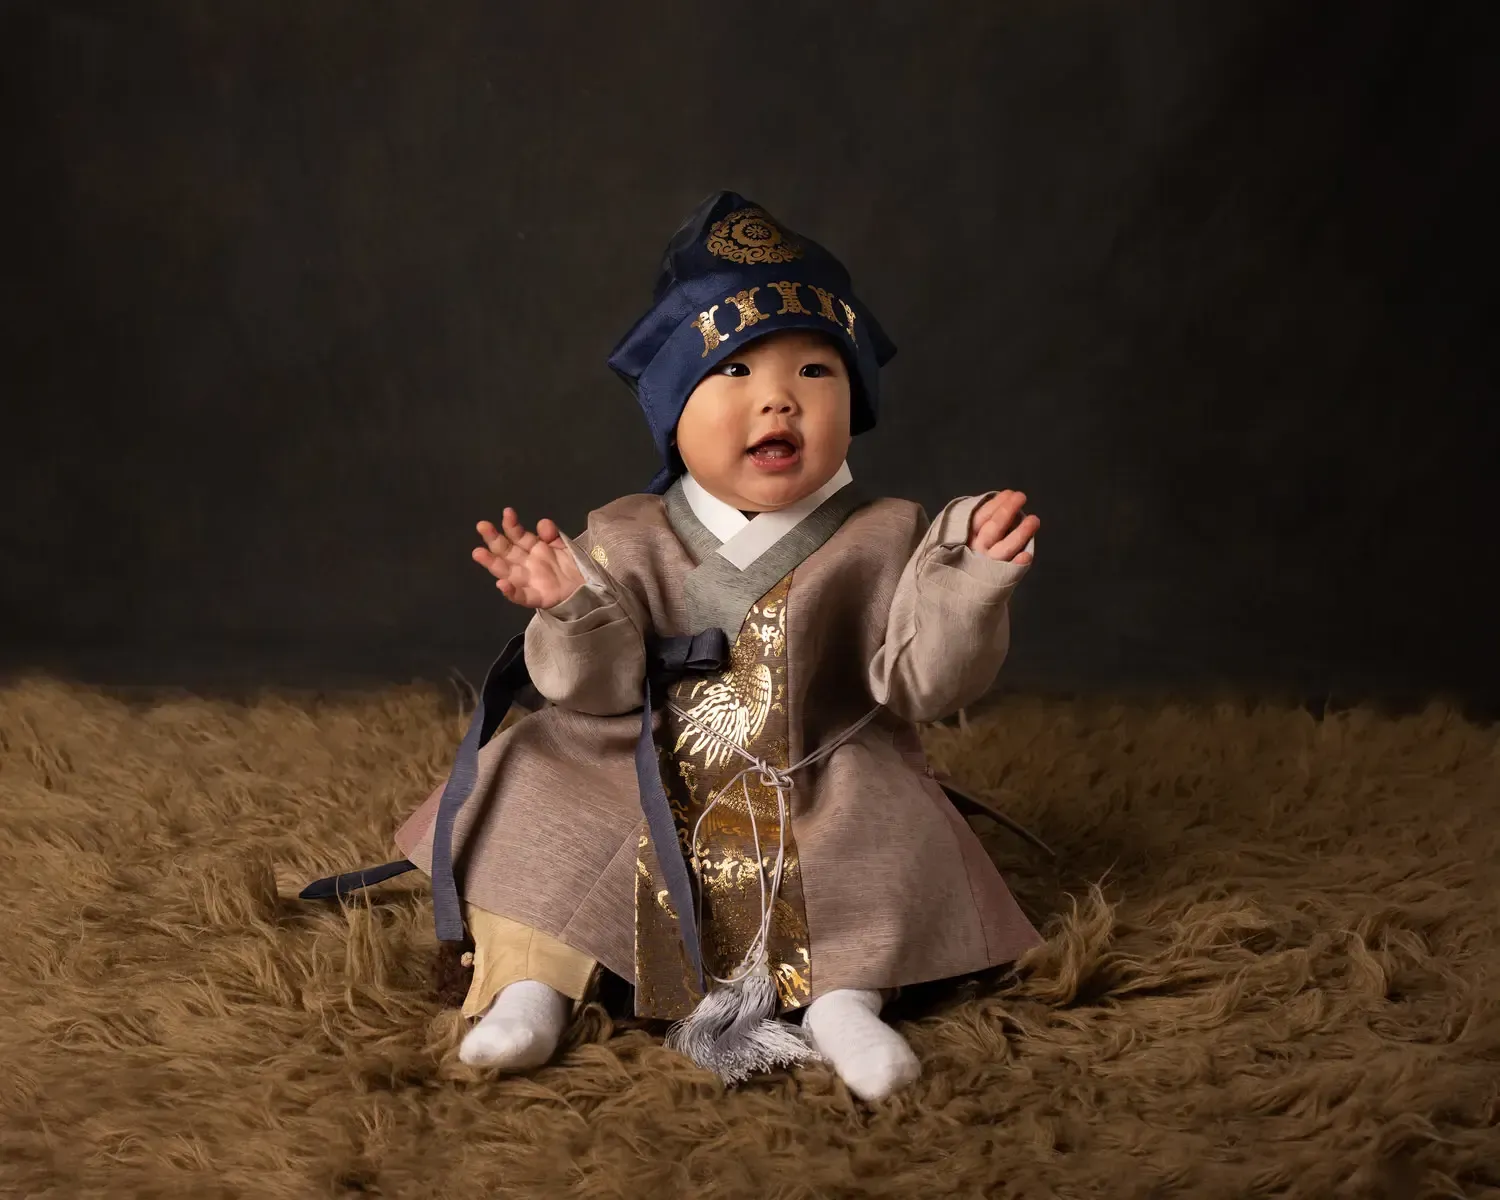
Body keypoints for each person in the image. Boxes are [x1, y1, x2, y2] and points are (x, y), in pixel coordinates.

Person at [391, 192, 1043, 1102]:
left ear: (853, 400)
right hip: (633, 771)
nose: (778, 397)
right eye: (733, 371)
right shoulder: (626, 533)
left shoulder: (887, 534)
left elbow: (922, 686)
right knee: (537, 793)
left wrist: (967, 583)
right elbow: (596, 690)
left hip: (816, 772)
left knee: (882, 835)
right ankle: (531, 988)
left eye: (814, 370)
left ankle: (846, 1003)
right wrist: (571, 608)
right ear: (673, 412)